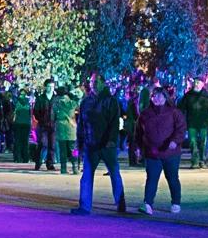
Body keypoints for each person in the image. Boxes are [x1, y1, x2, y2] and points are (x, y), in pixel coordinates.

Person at [71, 79, 125, 215]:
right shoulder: (86, 102)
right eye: (92, 82)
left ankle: (120, 203)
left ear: (103, 83)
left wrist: (111, 140)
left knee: (114, 173)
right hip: (90, 144)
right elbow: (81, 124)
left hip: (107, 145)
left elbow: (114, 123)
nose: (93, 85)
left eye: (96, 82)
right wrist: (80, 143)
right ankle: (85, 206)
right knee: (87, 176)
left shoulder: (111, 101)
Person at [137, 87, 185, 215]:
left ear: (165, 97)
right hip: (152, 153)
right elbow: (139, 133)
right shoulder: (145, 114)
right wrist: (139, 148)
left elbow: (181, 128)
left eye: (158, 96)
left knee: (172, 178)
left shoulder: (174, 112)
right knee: (151, 178)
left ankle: (176, 202)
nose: (156, 98)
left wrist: (175, 141)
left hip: (170, 153)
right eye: (153, 96)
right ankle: (147, 203)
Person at [179, 79, 208, 168]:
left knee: (203, 142)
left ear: (202, 84)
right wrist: (181, 120)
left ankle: (202, 160)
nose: (196, 84)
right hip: (192, 122)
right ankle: (195, 161)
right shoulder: (188, 95)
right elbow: (181, 108)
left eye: (198, 82)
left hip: (204, 122)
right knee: (192, 142)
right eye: (195, 82)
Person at [53, 86, 80, 174]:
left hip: (60, 126)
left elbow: (53, 115)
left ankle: (63, 168)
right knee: (74, 148)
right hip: (71, 126)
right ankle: (75, 167)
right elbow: (78, 105)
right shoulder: (72, 102)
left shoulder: (56, 103)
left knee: (62, 149)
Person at [33, 80, 57, 171]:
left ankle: (50, 163)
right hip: (43, 125)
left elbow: (58, 111)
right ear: (45, 87)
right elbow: (36, 111)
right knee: (43, 144)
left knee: (52, 145)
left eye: (52, 86)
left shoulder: (56, 99)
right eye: (49, 86)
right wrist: (41, 119)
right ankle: (38, 162)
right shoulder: (40, 98)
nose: (51, 88)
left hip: (53, 125)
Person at [10, 88, 31, 165]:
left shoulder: (15, 101)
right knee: (25, 141)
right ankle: (25, 158)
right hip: (26, 123)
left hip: (18, 123)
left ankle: (18, 158)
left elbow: (13, 112)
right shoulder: (29, 102)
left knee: (18, 141)